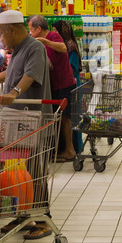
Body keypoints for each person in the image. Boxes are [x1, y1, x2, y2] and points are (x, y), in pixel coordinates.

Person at [0, 10, 53, 240]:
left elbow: (30, 75)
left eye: (2, 34)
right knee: (18, 172)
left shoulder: (35, 48)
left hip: (33, 121)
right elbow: (11, 72)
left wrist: (14, 92)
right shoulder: (18, 50)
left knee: (36, 172)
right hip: (15, 123)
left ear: (12, 30)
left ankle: (41, 218)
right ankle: (21, 215)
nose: (1, 39)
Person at [28, 15, 77, 162]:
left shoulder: (53, 35)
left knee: (65, 118)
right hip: (53, 84)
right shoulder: (37, 43)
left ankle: (69, 150)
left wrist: (44, 41)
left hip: (64, 83)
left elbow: (63, 48)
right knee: (57, 118)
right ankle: (60, 149)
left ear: (38, 28)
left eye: (30, 29)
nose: (29, 32)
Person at [52, 19, 82, 154]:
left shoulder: (70, 46)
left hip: (73, 84)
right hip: (64, 82)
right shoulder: (60, 45)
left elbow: (73, 67)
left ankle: (74, 147)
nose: (54, 33)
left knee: (71, 116)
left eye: (56, 30)